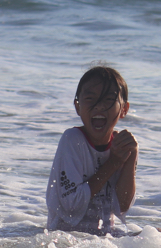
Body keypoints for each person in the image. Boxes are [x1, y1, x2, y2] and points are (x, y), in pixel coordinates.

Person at [46, 66, 139, 235]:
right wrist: (113, 163)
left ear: (124, 109)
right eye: (90, 99)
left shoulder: (122, 146)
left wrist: (130, 157)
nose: (99, 106)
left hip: (104, 238)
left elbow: (122, 207)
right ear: (77, 106)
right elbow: (72, 205)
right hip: (65, 237)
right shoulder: (72, 139)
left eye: (108, 99)